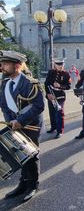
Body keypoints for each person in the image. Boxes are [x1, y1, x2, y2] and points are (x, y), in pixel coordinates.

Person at [0, 50, 44, 202]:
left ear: (17, 65)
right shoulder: (5, 83)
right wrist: (10, 121)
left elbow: (38, 106)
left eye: (6, 64)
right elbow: (4, 105)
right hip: (14, 126)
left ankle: (32, 185)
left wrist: (20, 121)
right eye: (2, 64)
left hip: (31, 125)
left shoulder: (31, 83)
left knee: (31, 156)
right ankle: (23, 183)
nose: (2, 67)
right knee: (20, 155)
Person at [45, 59, 71, 138]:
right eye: (58, 65)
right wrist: (48, 94)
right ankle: (53, 127)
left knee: (59, 113)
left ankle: (60, 131)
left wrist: (60, 86)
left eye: (61, 65)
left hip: (60, 95)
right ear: (55, 65)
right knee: (52, 112)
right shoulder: (51, 72)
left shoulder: (66, 74)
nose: (60, 66)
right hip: (51, 95)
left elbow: (68, 86)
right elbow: (46, 83)